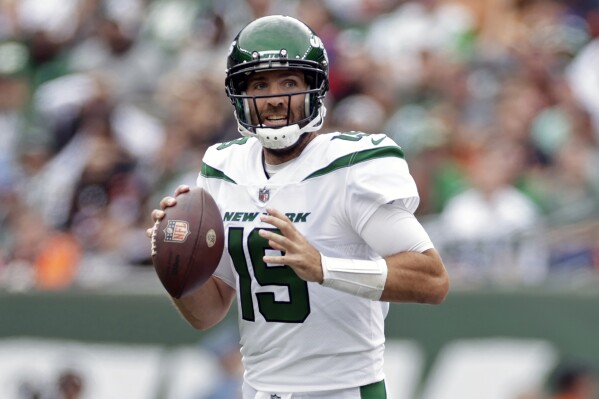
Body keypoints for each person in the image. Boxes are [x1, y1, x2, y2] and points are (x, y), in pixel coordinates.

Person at [148, 15, 449, 399]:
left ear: (314, 88)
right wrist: (174, 265)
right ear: (240, 95)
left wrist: (324, 268)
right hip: (259, 389)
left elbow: (432, 279)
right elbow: (208, 313)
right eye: (260, 84)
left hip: (343, 390)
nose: (274, 98)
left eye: (288, 82)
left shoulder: (352, 165)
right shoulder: (224, 168)